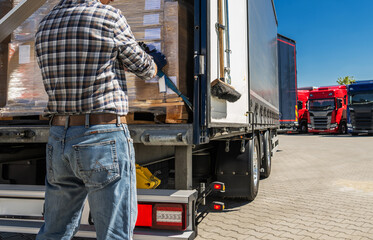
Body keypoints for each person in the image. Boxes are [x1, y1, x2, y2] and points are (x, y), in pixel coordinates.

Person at [35, 0, 166, 239]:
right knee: (113, 233)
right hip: (102, 136)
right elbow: (145, 68)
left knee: (54, 232)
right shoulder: (109, 17)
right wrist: (154, 61)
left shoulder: (46, 22)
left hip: (59, 137)